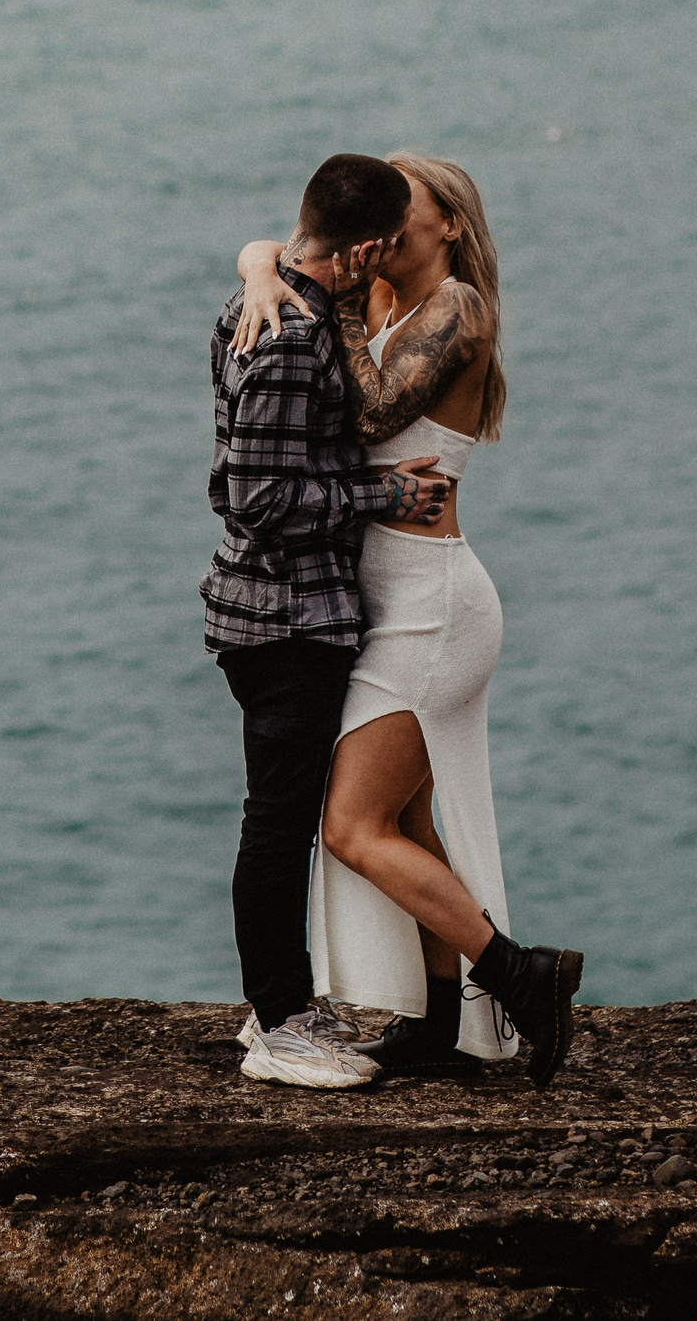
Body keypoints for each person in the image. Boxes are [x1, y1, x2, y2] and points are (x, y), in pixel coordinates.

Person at [228, 152, 583, 1088]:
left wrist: (323, 294)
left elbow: (372, 412)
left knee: (351, 824)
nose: (381, 235)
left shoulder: (459, 309)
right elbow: (288, 246)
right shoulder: (375, 295)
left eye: (403, 213)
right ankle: (436, 1020)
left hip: (432, 603)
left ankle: (522, 975)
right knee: (407, 818)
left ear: (448, 224)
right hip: (376, 599)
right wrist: (262, 267)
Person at [203, 154, 452, 1091]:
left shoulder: (256, 302)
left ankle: (286, 1004)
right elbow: (259, 497)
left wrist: (256, 261)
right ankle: (276, 1023)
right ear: (366, 250)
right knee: (277, 824)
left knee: (284, 818)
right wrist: (386, 493)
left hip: (276, 610)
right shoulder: (292, 337)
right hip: (286, 616)